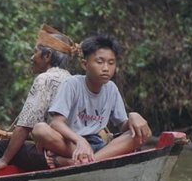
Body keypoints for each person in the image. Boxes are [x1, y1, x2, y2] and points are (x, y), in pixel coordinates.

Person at [31, 33, 151, 167]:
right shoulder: (72, 84)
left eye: (111, 63)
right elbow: (56, 124)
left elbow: (123, 126)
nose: (106, 68)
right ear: (84, 64)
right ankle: (89, 160)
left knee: (142, 132)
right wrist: (80, 141)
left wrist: (134, 117)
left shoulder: (111, 88)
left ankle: (82, 162)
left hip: (99, 146)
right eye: (100, 62)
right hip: (71, 144)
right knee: (40, 130)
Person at [0, 24, 79, 178]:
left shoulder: (45, 79)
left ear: (47, 56)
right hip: (73, 146)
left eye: (35, 52)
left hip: (55, 150)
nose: (32, 57)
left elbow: (25, 126)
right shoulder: (73, 79)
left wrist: (4, 160)